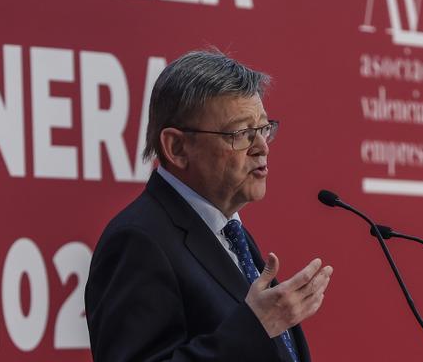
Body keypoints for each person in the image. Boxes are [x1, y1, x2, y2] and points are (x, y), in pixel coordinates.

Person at [85, 50, 333, 362]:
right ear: (176, 147)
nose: (262, 147)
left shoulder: (226, 230)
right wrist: (256, 327)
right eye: (241, 133)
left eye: (263, 129)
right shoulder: (138, 241)